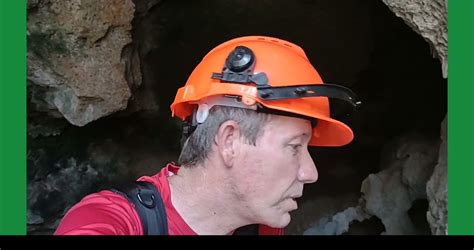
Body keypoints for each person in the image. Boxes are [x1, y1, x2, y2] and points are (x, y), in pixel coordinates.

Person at [54, 35, 360, 235]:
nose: (311, 173)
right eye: (295, 147)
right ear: (230, 141)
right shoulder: (113, 222)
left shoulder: (260, 227)